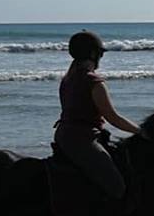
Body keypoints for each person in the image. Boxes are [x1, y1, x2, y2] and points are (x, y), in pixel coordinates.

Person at [54, 30, 142, 201]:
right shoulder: (93, 82)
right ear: (94, 54)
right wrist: (139, 131)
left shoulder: (68, 78)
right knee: (116, 186)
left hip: (64, 134)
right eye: (100, 54)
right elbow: (113, 118)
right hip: (83, 140)